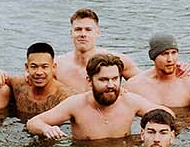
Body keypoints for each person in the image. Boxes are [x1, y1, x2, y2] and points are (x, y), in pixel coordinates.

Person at [26, 52, 159, 140]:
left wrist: (150, 134)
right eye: (103, 80)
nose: (111, 85)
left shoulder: (130, 101)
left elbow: (165, 114)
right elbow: (33, 123)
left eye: (114, 79)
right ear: (89, 81)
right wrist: (46, 129)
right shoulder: (75, 104)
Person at [56, 8, 140, 94]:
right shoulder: (57, 66)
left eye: (88, 30)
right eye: (78, 29)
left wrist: (122, 90)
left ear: (97, 32)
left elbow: (142, 84)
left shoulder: (119, 61)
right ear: (71, 33)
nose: (83, 34)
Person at [126, 33, 190, 109]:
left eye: (174, 53)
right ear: (153, 56)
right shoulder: (134, 86)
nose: (170, 59)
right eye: (164, 54)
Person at [11, 42, 75, 119]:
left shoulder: (66, 97)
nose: (39, 72)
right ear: (27, 67)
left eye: (45, 67)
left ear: (53, 67)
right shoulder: (18, 85)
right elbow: (1, 78)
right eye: (34, 67)